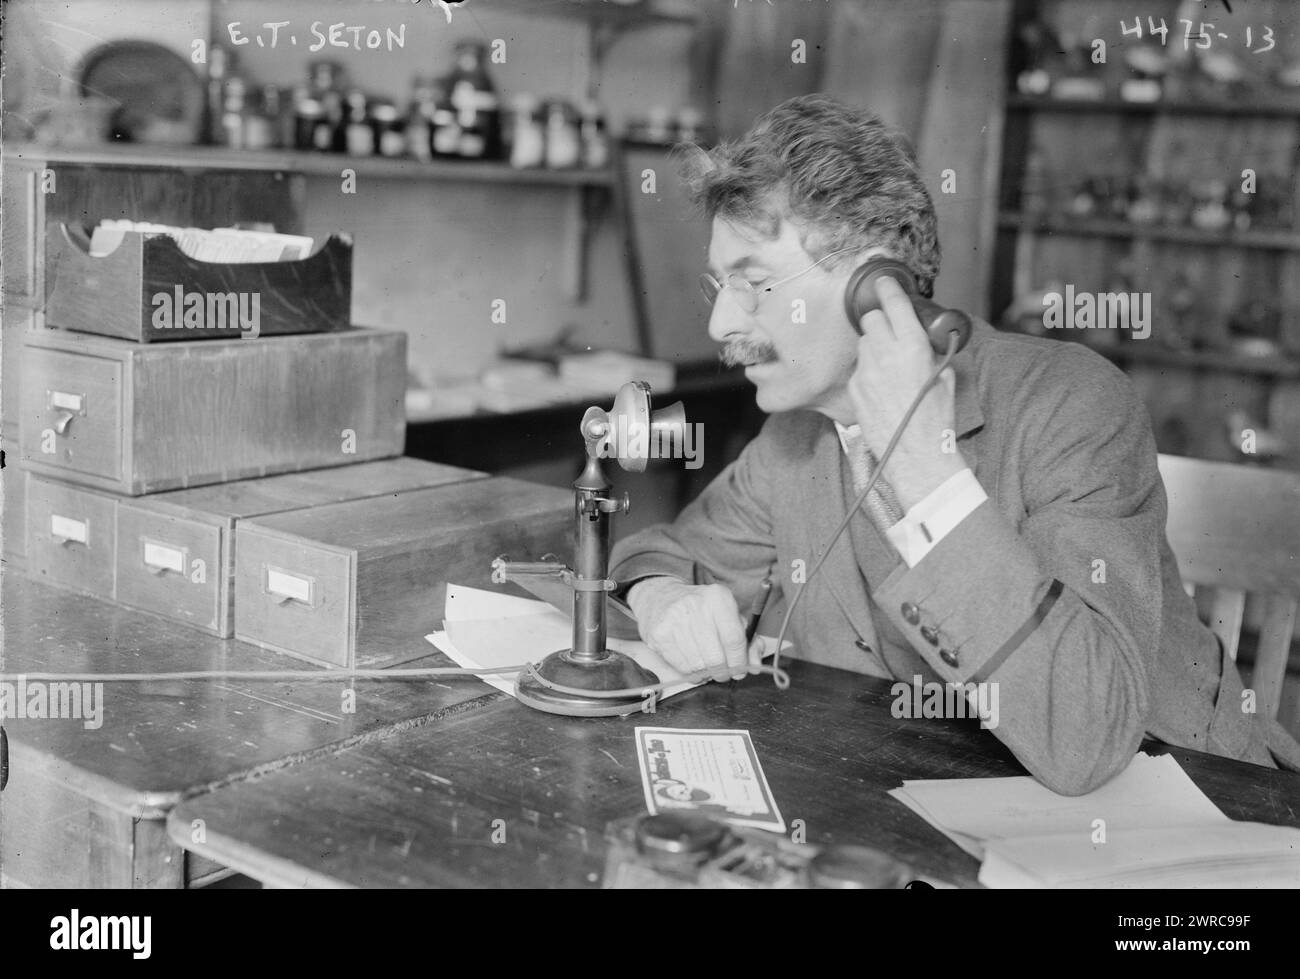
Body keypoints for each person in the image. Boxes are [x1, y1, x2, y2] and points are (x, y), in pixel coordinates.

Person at [609, 94, 1300, 795]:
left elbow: (1087, 736)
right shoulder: (795, 435)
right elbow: (661, 552)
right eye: (718, 286)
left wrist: (925, 469)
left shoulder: (1071, 403)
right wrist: (664, 597)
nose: (723, 322)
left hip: (1177, 809)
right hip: (930, 805)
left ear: (875, 288)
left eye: (754, 283)